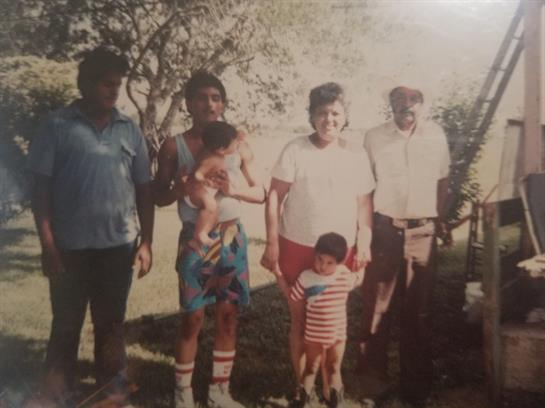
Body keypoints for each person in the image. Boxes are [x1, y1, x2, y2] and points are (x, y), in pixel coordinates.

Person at [25, 47, 154, 406]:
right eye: (106, 84)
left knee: (111, 326)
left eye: (118, 85)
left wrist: (147, 242)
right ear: (86, 84)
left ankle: (111, 395)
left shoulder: (129, 129)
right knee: (65, 325)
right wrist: (48, 244)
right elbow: (41, 190)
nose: (113, 91)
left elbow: (143, 188)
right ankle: (56, 394)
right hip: (69, 248)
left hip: (118, 247)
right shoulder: (57, 126)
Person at [154, 71, 265, 408]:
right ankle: (182, 392)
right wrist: (181, 188)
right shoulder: (175, 145)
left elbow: (260, 193)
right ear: (188, 103)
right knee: (193, 315)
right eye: (202, 97)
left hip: (231, 235)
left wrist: (235, 190)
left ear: (223, 103)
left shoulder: (238, 145)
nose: (210, 104)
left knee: (228, 314)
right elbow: (158, 197)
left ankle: (219, 392)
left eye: (216, 97)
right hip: (196, 238)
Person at [260, 82, 375, 406]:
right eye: (322, 113)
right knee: (301, 319)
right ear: (312, 116)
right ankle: (302, 388)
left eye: (336, 113)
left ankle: (332, 383)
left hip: (341, 251)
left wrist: (364, 241)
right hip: (297, 245)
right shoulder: (295, 149)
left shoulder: (356, 154)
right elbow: (273, 198)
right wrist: (272, 243)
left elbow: (364, 205)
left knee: (334, 317)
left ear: (345, 116)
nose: (329, 119)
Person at [358, 85, 451, 405]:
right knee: (377, 309)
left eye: (413, 99)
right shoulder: (374, 137)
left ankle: (415, 388)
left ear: (422, 103)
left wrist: (438, 219)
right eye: (399, 99)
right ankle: (373, 385)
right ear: (390, 104)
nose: (406, 105)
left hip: (423, 233)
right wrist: (365, 232)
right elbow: (364, 190)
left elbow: (443, 180)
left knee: (418, 313)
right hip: (385, 230)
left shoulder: (436, 134)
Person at [273, 232, 364, 408]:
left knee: (334, 369)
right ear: (315, 255)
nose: (323, 266)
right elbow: (292, 295)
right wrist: (278, 274)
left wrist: (363, 262)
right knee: (310, 369)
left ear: (340, 262)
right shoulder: (306, 277)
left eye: (330, 263)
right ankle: (304, 400)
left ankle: (337, 400)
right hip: (313, 336)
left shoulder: (343, 274)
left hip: (338, 336)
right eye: (320, 259)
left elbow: (359, 278)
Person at [183, 121, 240, 252]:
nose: (237, 144)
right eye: (235, 142)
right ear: (221, 148)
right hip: (196, 191)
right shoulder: (212, 158)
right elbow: (197, 174)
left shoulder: (219, 155)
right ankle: (199, 234)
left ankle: (195, 240)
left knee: (215, 213)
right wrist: (204, 181)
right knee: (211, 206)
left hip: (204, 191)